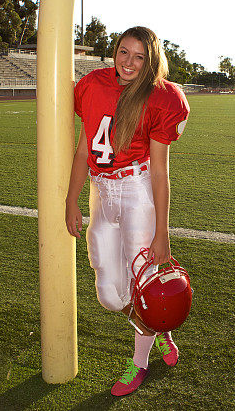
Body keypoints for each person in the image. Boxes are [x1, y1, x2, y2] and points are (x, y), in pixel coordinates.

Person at [65, 26, 190, 397]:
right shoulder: (93, 84)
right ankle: (158, 327)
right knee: (110, 293)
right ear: (114, 51)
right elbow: (83, 148)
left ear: (150, 60)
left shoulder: (161, 97)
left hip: (137, 192)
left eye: (139, 56)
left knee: (145, 285)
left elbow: (160, 171)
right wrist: (71, 199)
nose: (129, 62)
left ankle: (138, 364)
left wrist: (162, 232)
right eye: (124, 52)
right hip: (101, 193)